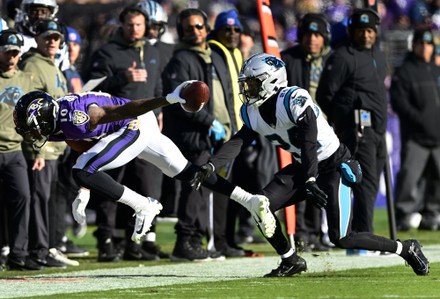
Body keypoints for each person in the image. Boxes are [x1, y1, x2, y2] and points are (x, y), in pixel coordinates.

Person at [191, 52, 430, 277]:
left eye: (252, 83)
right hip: (305, 167)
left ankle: (405, 248)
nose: (247, 89)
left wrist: (310, 178)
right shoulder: (251, 112)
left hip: (333, 165)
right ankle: (289, 259)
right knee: (261, 206)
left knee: (342, 237)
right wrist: (211, 165)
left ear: (271, 81)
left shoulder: (293, 99)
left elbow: (308, 140)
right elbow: (240, 140)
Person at [12, 84, 277, 262]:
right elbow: (83, 145)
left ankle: (143, 205)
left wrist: (168, 100)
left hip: (132, 124)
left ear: (44, 116)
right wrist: (85, 190)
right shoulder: (61, 122)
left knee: (81, 170)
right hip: (135, 128)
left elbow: (126, 109)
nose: (32, 134)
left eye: (31, 127)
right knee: (188, 173)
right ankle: (248, 199)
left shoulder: (78, 116)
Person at [86, 4, 166, 262]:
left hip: (146, 126)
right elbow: (90, 88)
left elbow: (158, 83)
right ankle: (106, 241)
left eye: (139, 24)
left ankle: (137, 242)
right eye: (130, 24)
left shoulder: (152, 51)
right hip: (115, 125)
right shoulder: (107, 52)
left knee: (146, 184)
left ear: (146, 26)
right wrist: (122, 78)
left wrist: (160, 111)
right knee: (110, 184)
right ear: (122, 25)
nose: (135, 29)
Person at [161, 8, 236, 261]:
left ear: (206, 28)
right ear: (181, 32)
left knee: (205, 190)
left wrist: (229, 125)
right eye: (189, 28)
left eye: (199, 26)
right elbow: (183, 101)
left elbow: (227, 95)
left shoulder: (214, 56)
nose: (194, 31)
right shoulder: (181, 60)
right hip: (194, 135)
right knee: (194, 188)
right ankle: (185, 241)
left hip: (216, 134)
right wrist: (210, 122)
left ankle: (197, 241)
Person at [315, 9, 388, 254]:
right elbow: (324, 95)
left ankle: (362, 238)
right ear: (351, 31)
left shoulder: (377, 54)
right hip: (358, 130)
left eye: (370, 31)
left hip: (377, 130)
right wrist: (345, 119)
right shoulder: (343, 56)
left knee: (371, 186)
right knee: (364, 185)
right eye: (361, 31)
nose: (366, 35)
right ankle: (362, 243)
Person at [18, 19, 75, 267]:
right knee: (39, 199)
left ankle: (48, 246)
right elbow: (28, 112)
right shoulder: (33, 65)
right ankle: (38, 250)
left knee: (48, 200)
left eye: (56, 37)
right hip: (43, 148)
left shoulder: (53, 65)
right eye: (47, 37)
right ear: (37, 38)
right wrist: (37, 148)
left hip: (56, 146)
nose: (52, 41)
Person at [281, 13, 333, 252]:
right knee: (301, 182)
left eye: (317, 34)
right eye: (307, 34)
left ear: (324, 37)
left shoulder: (332, 60)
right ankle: (300, 233)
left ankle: (314, 233)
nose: (312, 39)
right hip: (296, 131)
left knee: (318, 182)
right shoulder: (287, 59)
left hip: (324, 131)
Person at [390, 27, 440, 231]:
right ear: (414, 45)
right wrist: (418, 119)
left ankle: (432, 215)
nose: (425, 48)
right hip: (416, 136)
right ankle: (404, 216)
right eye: (421, 44)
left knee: (438, 179)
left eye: (429, 44)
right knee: (410, 178)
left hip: (438, 136)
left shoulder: (436, 70)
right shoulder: (405, 71)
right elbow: (399, 102)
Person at [0, 29, 42, 271]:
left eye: (15, 53)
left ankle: (18, 254)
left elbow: (34, 119)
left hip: (16, 151)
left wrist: (37, 150)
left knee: (23, 198)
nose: (11, 57)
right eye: (7, 52)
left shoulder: (26, 80)